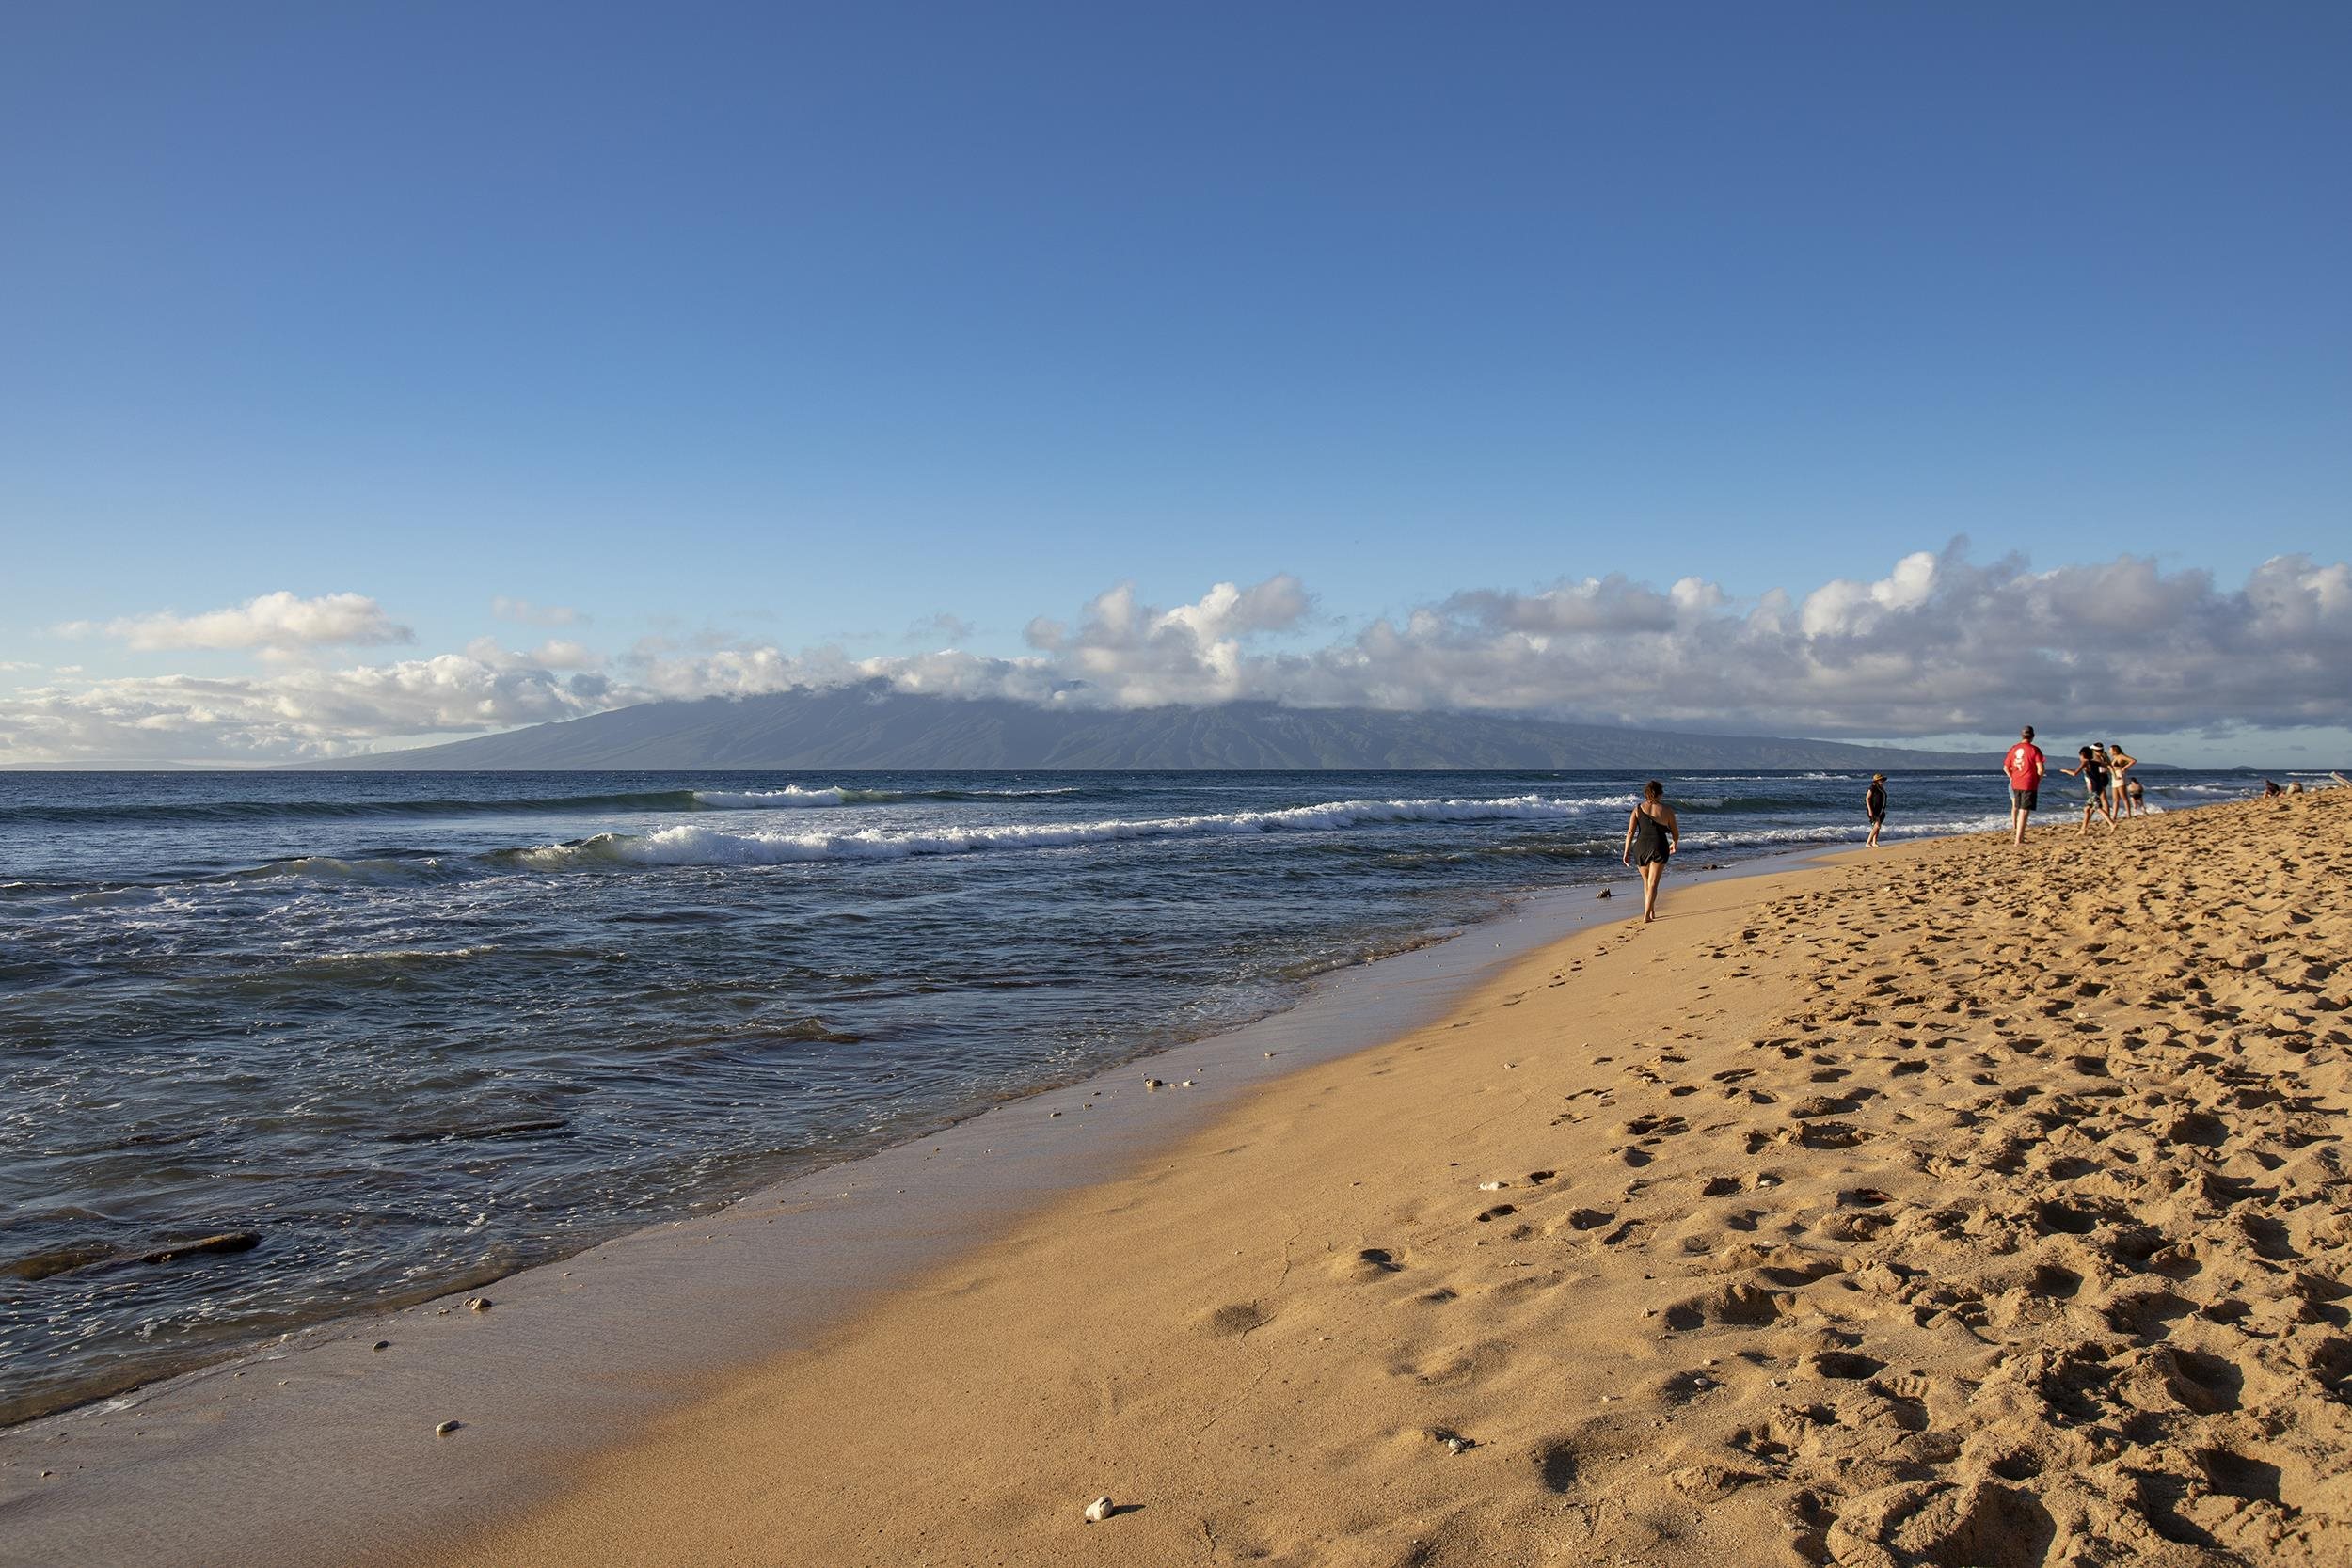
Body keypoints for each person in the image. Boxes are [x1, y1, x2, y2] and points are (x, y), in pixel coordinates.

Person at [1620, 780, 1679, 924]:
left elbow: (1630, 832)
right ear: (1660, 793)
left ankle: (1651, 911)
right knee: (1653, 884)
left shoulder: (1637, 809)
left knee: (1646, 882)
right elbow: (1675, 833)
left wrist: (1626, 852)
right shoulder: (1667, 810)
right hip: (1659, 846)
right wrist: (1674, 843)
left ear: (1646, 794)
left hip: (1641, 847)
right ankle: (1647, 915)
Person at [2004, 726, 2044, 846]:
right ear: (2033, 736)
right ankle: (2018, 840)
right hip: (2029, 782)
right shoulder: (2034, 749)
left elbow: (2005, 767)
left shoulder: (2014, 749)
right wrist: (2037, 780)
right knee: (2024, 811)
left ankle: (2019, 837)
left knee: (2018, 808)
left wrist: (2012, 777)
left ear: (2021, 735)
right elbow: (2040, 769)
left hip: (2016, 783)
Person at [2061, 746, 2115, 834]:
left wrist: (2065, 771)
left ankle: (2112, 823)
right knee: (2087, 809)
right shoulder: (2094, 762)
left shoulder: (2085, 762)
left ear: (2083, 755)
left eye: (2080, 756)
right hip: (2099, 786)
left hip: (2094, 788)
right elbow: (2106, 765)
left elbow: (2075, 773)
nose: (2080, 758)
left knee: (2097, 807)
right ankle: (2083, 829)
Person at [2107, 741, 2137, 816]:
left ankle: (2129, 814)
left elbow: (2133, 761)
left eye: (2110, 750)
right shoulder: (2114, 758)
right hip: (2114, 777)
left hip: (2120, 776)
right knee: (2115, 799)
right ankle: (2114, 816)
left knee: (2124, 797)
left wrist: (2124, 768)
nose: (2109, 751)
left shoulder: (2121, 756)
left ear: (2115, 750)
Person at [1864, 773, 1887, 848]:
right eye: (1880, 779)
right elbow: (1867, 798)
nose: (1882, 781)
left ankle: (1874, 842)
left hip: (1880, 811)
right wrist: (1870, 810)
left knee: (1877, 827)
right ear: (1876, 780)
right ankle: (1868, 842)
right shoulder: (1873, 787)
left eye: (1882, 779)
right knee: (1877, 826)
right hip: (1874, 810)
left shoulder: (1881, 788)